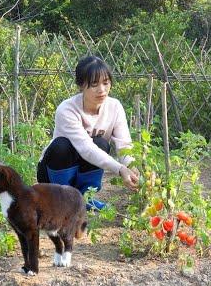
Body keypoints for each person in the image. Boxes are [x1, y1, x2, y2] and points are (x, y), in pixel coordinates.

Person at [37, 55, 140, 211]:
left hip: (82, 167)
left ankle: (86, 198)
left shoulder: (114, 107)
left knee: (100, 143)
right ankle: (60, 200)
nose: (102, 90)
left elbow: (124, 144)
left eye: (106, 83)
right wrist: (120, 169)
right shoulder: (67, 109)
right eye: (94, 84)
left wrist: (132, 167)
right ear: (81, 85)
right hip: (52, 172)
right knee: (62, 145)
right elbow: (86, 149)